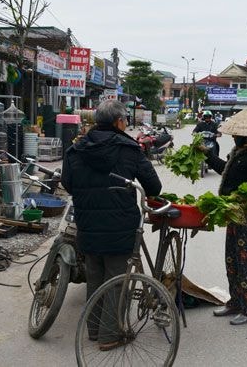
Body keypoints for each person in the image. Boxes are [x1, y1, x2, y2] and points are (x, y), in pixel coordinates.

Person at [61, 100, 162, 350]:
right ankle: (109, 336)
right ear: (118, 122)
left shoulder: (76, 149)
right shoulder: (129, 149)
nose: (126, 123)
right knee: (117, 280)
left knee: (94, 278)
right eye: (125, 119)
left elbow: (68, 184)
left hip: (87, 226)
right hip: (121, 228)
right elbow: (154, 187)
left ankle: (94, 330)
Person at [201, 109, 247, 325]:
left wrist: (235, 200)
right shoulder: (239, 152)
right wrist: (208, 154)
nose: (234, 137)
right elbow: (225, 171)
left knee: (245, 261)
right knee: (232, 259)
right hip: (232, 212)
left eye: (237, 134)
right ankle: (235, 301)